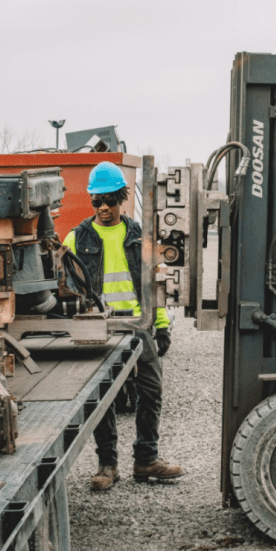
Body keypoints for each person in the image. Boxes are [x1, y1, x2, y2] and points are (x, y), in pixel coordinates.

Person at [63, 161, 185, 490]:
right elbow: (66, 288)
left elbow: (153, 284)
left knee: (151, 391)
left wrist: (161, 326)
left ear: (121, 199)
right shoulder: (76, 239)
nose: (104, 208)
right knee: (103, 397)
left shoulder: (139, 236)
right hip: (99, 328)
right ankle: (108, 465)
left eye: (110, 201)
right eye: (97, 201)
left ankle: (146, 460)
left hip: (138, 325)